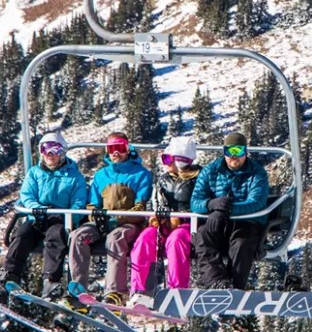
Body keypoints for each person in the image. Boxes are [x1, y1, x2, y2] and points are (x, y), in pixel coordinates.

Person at [0, 130, 87, 303]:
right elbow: (26, 195)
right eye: (45, 149)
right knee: (21, 235)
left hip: (60, 218)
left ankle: (50, 280)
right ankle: (9, 276)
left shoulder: (74, 177)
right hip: (38, 216)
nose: (50, 154)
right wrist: (35, 208)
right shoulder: (35, 173)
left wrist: (69, 217)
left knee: (55, 237)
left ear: (63, 152)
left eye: (55, 150)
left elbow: (79, 203)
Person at [70, 131, 153, 305]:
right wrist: (96, 215)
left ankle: (115, 291)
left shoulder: (141, 174)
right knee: (78, 236)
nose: (116, 153)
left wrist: (118, 218)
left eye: (120, 148)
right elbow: (92, 203)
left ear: (127, 149)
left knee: (115, 238)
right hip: (103, 221)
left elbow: (140, 207)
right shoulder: (101, 175)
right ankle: (78, 289)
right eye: (111, 148)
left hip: (129, 222)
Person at [191, 131, 270, 290]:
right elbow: (195, 201)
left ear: (245, 152)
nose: (234, 157)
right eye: (230, 151)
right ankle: (217, 283)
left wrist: (227, 210)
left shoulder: (256, 173)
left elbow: (256, 202)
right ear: (224, 152)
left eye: (238, 151)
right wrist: (211, 204)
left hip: (245, 222)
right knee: (203, 237)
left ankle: (236, 287)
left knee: (242, 243)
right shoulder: (210, 171)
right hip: (217, 222)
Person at [129, 136, 199, 306]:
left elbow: (201, 204)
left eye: (168, 159)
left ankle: (177, 292)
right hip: (165, 224)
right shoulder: (164, 180)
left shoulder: (199, 179)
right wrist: (155, 218)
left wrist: (180, 215)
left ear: (181, 160)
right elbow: (156, 202)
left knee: (176, 242)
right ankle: (140, 292)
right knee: (145, 238)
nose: (165, 164)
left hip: (188, 225)